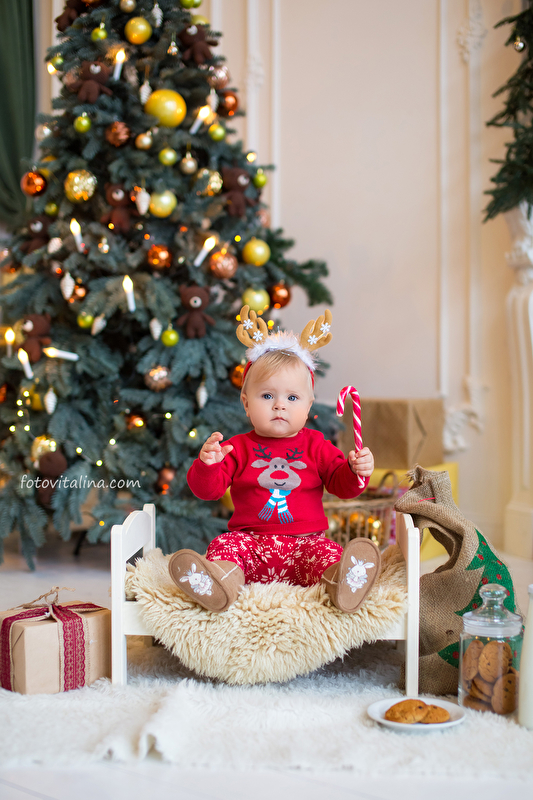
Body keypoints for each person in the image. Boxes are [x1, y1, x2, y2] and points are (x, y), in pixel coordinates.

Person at [168, 306, 380, 613]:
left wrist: (355, 470)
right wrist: (208, 466)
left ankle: (342, 583)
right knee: (224, 546)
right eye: (267, 396)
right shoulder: (236, 448)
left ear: (308, 406)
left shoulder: (316, 445)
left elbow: (342, 486)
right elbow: (207, 491)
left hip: (305, 545)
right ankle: (220, 583)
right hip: (251, 545)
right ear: (246, 404)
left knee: (328, 552)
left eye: (292, 398)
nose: (280, 405)